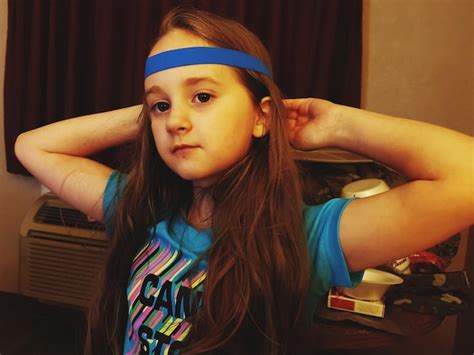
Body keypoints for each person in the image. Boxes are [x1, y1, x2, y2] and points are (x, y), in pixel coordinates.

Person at [14, 6, 473, 355]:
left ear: (261, 115)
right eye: (161, 106)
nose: (176, 121)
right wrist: (151, 107)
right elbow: (32, 147)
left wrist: (337, 126)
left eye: (203, 96)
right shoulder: (138, 208)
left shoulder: (305, 236)